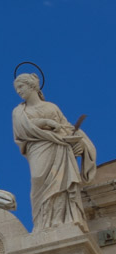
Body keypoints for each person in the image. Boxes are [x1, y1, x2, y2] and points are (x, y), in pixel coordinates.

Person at [13, 72, 96, 230]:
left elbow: (67, 127)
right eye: (16, 88)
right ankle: (43, 221)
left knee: (62, 183)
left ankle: (63, 220)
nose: (18, 91)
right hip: (38, 149)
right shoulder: (18, 112)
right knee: (38, 178)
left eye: (21, 86)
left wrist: (79, 142)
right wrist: (45, 122)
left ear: (32, 86)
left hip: (60, 149)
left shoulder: (51, 107)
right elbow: (22, 130)